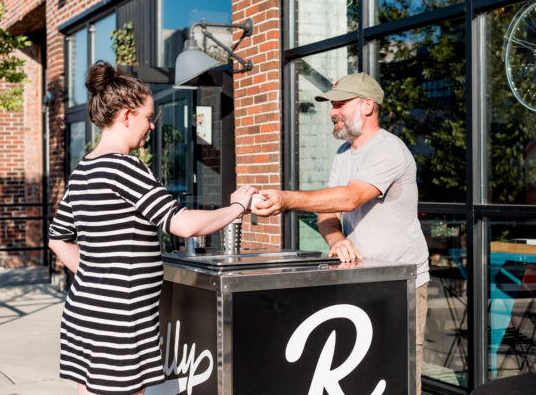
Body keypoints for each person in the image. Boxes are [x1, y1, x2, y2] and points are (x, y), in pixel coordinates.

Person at [48, 60, 256, 395]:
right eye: (149, 117)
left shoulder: (82, 171)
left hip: (84, 314)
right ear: (127, 115)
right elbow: (183, 225)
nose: (152, 127)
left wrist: (96, 275)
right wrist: (236, 207)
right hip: (120, 322)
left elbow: (58, 239)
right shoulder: (126, 168)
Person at [252, 72, 429, 395]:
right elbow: (329, 213)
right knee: (365, 377)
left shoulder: (388, 149)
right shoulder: (343, 154)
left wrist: (287, 199)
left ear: (367, 105)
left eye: (339, 104)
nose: (332, 111)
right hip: (360, 280)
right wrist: (337, 239)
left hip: (402, 283)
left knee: (400, 378)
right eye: (331, 104)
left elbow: (350, 197)